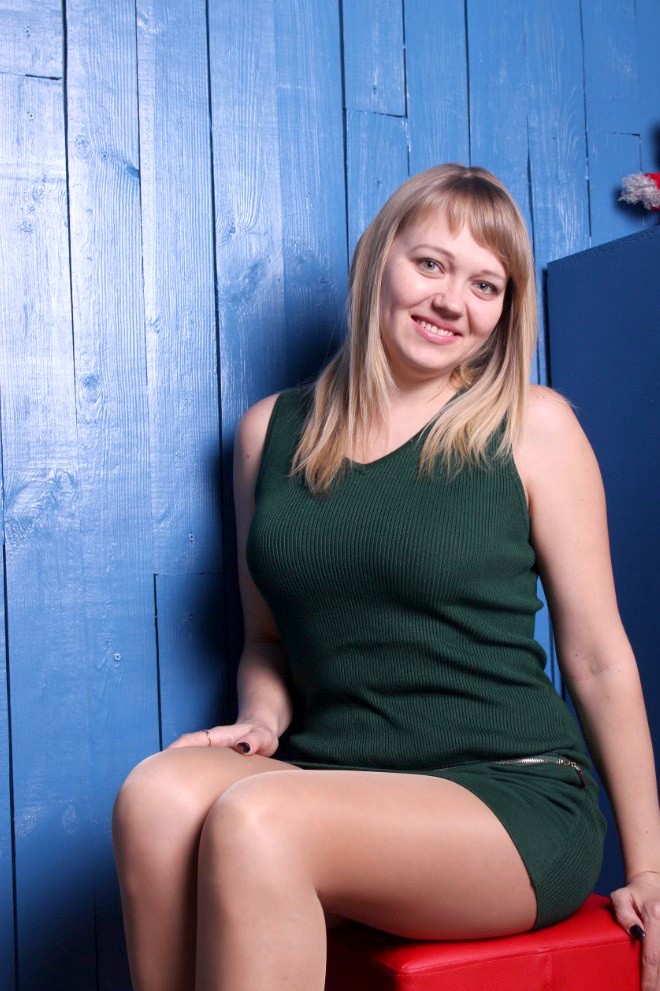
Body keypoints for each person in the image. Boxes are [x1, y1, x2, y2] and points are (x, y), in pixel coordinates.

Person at [112, 163, 660, 991]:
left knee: (260, 819)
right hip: (331, 776)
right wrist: (261, 718)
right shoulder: (269, 434)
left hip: (507, 793)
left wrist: (648, 867)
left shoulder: (534, 428)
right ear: (379, 260)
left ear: (504, 312)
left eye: (485, 284)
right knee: (155, 797)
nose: (452, 301)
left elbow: (597, 658)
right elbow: (267, 638)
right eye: (431, 263)